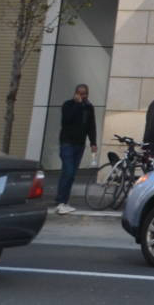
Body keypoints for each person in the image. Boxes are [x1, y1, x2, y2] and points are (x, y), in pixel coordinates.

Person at [55, 83, 96, 212]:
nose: (82, 96)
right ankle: (61, 201)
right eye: (80, 93)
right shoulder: (68, 105)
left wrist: (93, 142)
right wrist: (77, 105)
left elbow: (91, 126)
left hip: (80, 144)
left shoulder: (89, 107)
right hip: (67, 143)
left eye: (85, 94)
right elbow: (66, 120)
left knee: (70, 174)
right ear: (76, 93)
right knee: (69, 171)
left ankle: (63, 200)